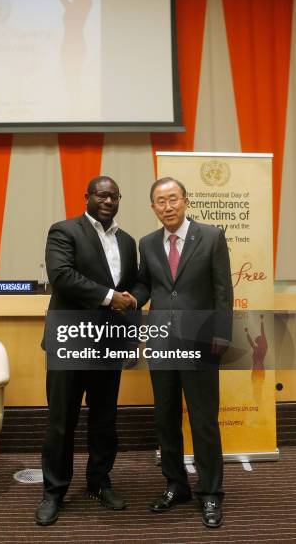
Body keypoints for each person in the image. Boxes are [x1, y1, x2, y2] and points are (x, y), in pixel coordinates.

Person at [36, 176, 138, 526]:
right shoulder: (64, 230)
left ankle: (98, 482)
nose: (109, 200)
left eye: (115, 195)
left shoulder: (127, 241)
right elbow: (61, 275)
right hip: (70, 339)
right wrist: (112, 297)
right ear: (88, 197)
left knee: (104, 420)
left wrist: (135, 296)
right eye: (102, 194)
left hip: (109, 341)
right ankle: (54, 491)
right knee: (61, 421)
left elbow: (134, 281)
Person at [132, 177, 233, 529]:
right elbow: (146, 284)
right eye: (160, 201)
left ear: (186, 201)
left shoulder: (211, 237)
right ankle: (177, 486)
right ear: (153, 207)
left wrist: (222, 333)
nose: (168, 206)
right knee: (166, 418)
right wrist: (131, 298)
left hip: (201, 343)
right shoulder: (146, 243)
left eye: (173, 199)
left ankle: (210, 494)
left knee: (204, 421)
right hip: (161, 343)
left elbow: (223, 288)